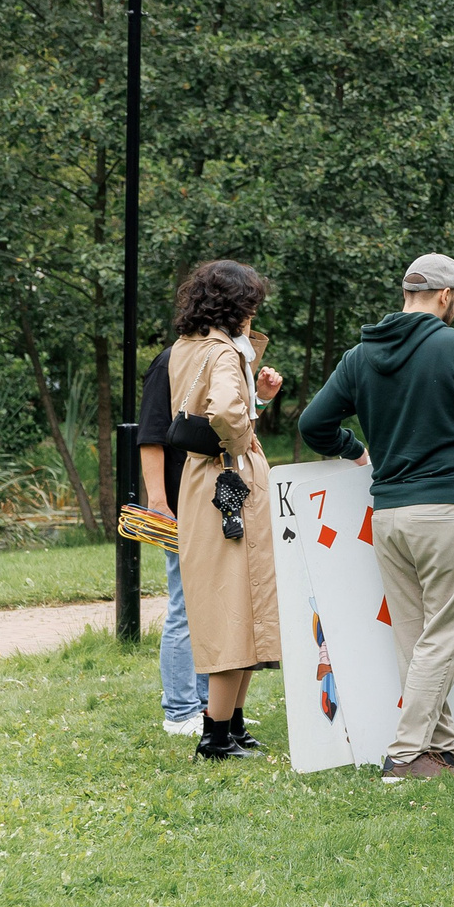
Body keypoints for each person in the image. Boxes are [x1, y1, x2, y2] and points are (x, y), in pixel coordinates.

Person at [299, 252, 454, 782]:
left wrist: (355, 448)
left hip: (390, 515)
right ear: (445, 297)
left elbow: (313, 424)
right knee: (445, 633)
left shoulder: (359, 357)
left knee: (417, 637)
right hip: (447, 509)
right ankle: (403, 753)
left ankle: (436, 750)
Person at [165, 261, 285, 761]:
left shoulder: (188, 347)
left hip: (200, 481)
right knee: (235, 602)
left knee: (236, 599)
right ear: (238, 305)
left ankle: (231, 726)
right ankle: (216, 737)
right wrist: (244, 442)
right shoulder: (219, 353)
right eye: (251, 303)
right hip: (227, 478)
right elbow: (228, 413)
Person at [133, 344, 209, 736]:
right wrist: (159, 502)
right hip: (180, 506)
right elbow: (151, 436)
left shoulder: (215, 355)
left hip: (212, 506)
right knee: (185, 606)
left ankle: (209, 706)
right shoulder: (170, 362)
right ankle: (180, 711)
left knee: (210, 608)